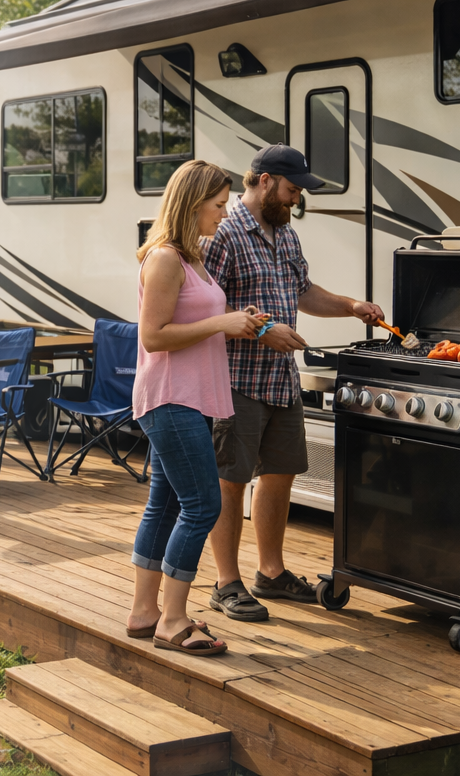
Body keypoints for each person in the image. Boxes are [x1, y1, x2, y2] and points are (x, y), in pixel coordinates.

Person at [202, 145, 385, 622]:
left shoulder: (284, 234)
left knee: (280, 475)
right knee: (231, 481)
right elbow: (204, 309)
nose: (296, 198)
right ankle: (226, 583)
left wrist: (350, 305)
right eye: (292, 189)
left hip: (281, 380)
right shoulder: (223, 233)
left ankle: (271, 572)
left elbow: (303, 292)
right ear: (264, 181)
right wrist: (262, 329)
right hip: (235, 380)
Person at [128, 160, 265, 655]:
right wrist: (219, 325)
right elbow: (153, 336)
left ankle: (145, 613)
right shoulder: (165, 258)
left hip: (189, 399)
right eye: (217, 205)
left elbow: (200, 317)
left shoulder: (194, 258)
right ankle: (173, 620)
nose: (222, 214)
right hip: (169, 398)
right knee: (203, 504)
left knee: (164, 504)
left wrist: (237, 319)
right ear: (191, 204)